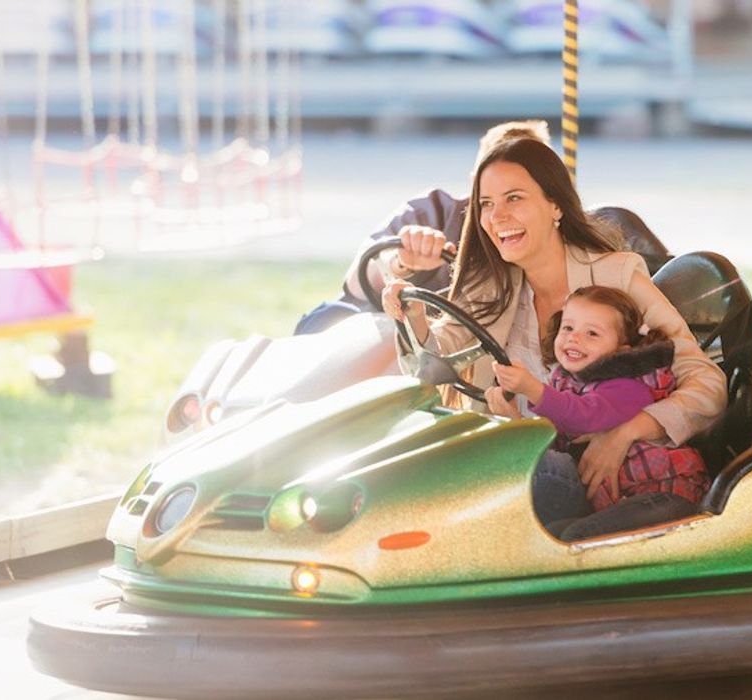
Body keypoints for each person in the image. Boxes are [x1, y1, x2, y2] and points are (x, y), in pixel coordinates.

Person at [381, 138, 726, 540]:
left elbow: (707, 383)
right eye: (487, 204)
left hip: (583, 475)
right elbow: (433, 362)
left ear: (555, 206)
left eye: (514, 198)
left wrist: (626, 432)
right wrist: (414, 313)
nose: (498, 217)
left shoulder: (616, 277)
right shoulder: (488, 288)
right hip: (515, 461)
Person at [484, 285, 709, 540]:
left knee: (576, 537)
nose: (574, 338)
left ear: (622, 349)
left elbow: (584, 415)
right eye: (567, 328)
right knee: (552, 536)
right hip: (614, 501)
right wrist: (515, 420)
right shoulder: (568, 380)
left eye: (592, 333)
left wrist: (532, 389)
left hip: (663, 498)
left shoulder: (629, 385)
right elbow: (558, 442)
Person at [293, 120, 551, 335]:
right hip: (379, 332)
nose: (499, 213)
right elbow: (358, 281)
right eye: (488, 190)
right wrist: (400, 262)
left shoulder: (554, 246)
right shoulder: (431, 212)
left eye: (515, 195)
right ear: (474, 181)